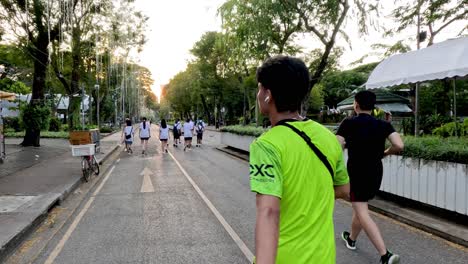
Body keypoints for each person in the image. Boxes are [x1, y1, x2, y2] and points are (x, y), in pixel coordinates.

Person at [249, 55, 350, 264]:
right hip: (323, 257)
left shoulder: (267, 145)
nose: (258, 94)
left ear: (268, 94)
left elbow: (268, 212)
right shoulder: (328, 138)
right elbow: (344, 190)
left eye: (260, 88)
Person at [336, 90, 404, 264]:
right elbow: (399, 145)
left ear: (356, 105)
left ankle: (385, 255)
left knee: (362, 210)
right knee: (361, 207)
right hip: (375, 172)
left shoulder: (348, 122)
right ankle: (351, 238)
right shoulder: (383, 124)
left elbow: (337, 146)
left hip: (357, 172)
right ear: (373, 107)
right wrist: (386, 153)